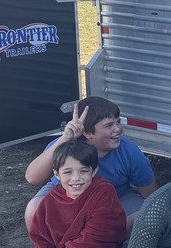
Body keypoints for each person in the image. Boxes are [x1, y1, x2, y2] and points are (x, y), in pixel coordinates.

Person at [24, 96, 158, 232]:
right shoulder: (67, 145)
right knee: (34, 208)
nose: (117, 129)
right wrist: (66, 137)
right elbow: (33, 178)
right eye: (109, 125)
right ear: (88, 133)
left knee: (143, 215)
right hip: (66, 196)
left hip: (115, 198)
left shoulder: (128, 150)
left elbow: (151, 194)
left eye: (118, 122)